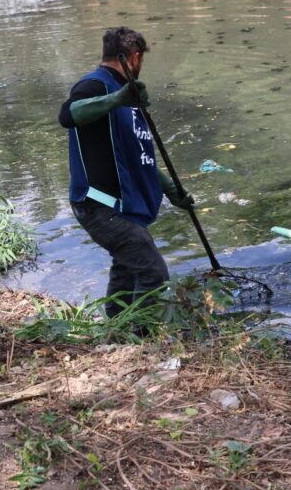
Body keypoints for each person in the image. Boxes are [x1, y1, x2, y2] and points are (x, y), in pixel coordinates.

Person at [59, 27, 194, 317]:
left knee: (127, 269)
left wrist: (172, 191)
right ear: (134, 57)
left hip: (122, 204)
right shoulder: (95, 86)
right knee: (153, 271)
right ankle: (141, 337)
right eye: (141, 59)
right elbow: (68, 115)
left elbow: (139, 157)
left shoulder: (129, 96)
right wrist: (116, 99)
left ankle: (117, 330)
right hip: (99, 205)